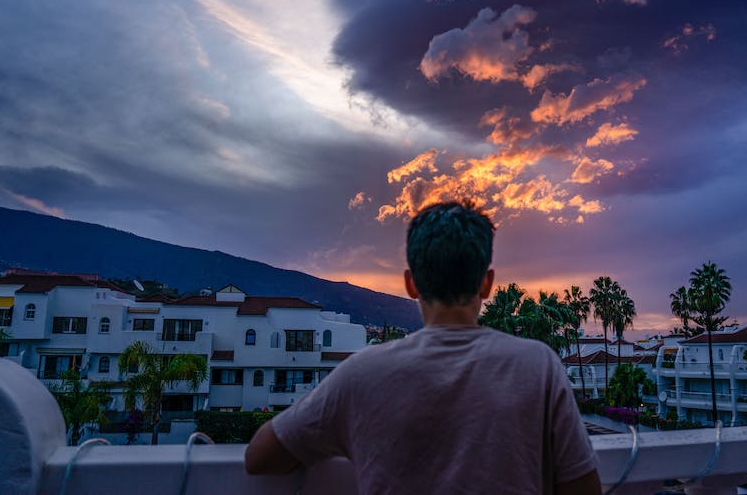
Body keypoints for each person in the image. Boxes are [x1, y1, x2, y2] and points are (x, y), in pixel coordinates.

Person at [245, 201, 600, 494]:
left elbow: (259, 457)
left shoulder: (362, 372)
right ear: (487, 283)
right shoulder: (538, 366)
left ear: (411, 284)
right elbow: (583, 486)